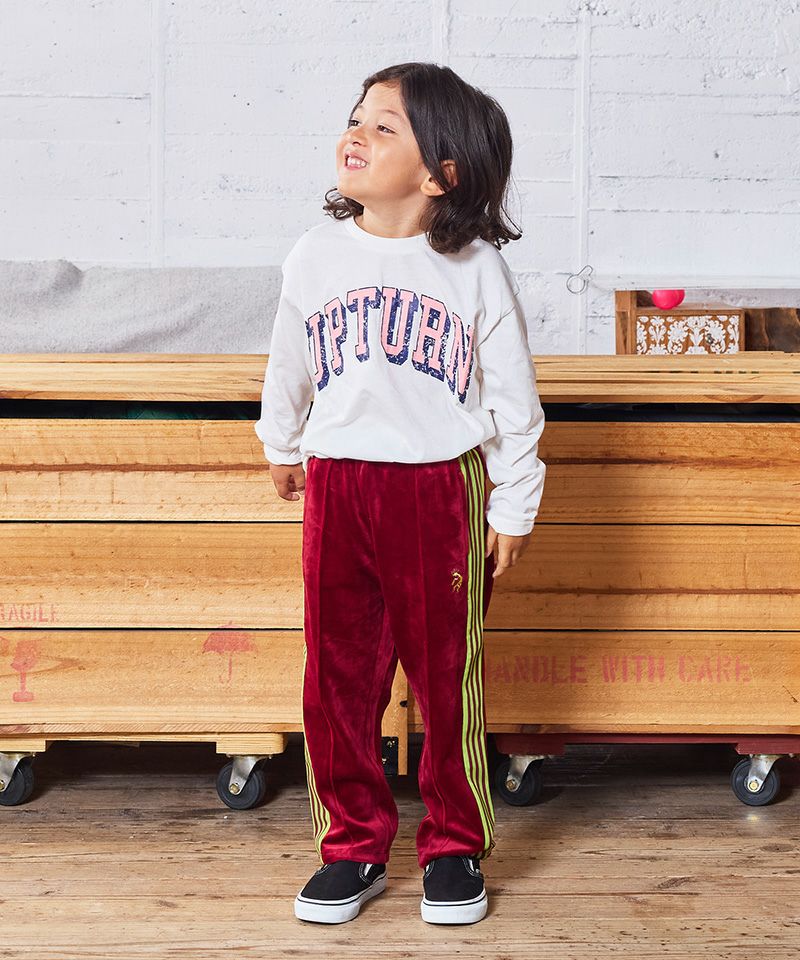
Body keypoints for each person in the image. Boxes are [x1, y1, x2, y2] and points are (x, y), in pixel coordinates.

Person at [254, 61, 546, 926]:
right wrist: (281, 441)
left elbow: (514, 398)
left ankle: (454, 844)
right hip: (339, 485)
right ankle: (351, 846)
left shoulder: (475, 268)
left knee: (446, 678)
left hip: (438, 490)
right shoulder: (315, 255)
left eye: (385, 126)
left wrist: (514, 503)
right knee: (337, 679)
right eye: (357, 117)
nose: (357, 132)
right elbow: (290, 358)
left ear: (440, 174)